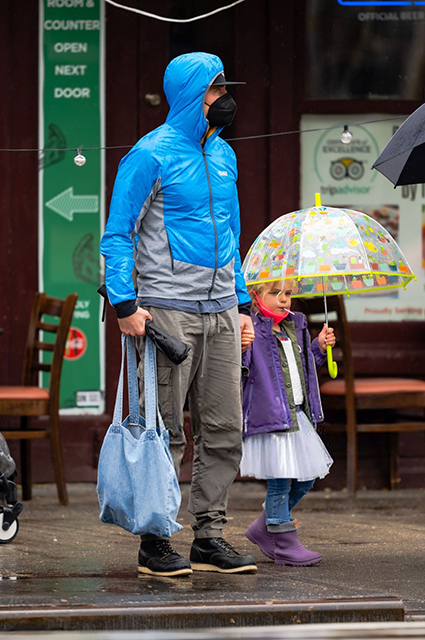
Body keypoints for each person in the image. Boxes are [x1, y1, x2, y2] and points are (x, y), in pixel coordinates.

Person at [100, 52, 257, 577]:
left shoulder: (225, 157)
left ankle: (208, 536)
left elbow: (231, 236)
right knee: (163, 431)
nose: (224, 99)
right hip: (165, 312)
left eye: (223, 88)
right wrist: (124, 304)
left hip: (218, 315)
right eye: (214, 90)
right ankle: (155, 540)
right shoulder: (150, 155)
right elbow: (117, 233)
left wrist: (240, 304)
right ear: (192, 94)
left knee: (223, 429)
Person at [240, 280, 335, 566]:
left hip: (298, 414)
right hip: (272, 416)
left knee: (307, 476)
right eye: (275, 293)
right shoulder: (253, 329)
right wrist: (240, 346)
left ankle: (265, 524)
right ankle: (282, 537)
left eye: (288, 293)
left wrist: (318, 347)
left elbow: (305, 366)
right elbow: (241, 368)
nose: (284, 299)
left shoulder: (296, 326)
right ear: (256, 297)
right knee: (281, 478)